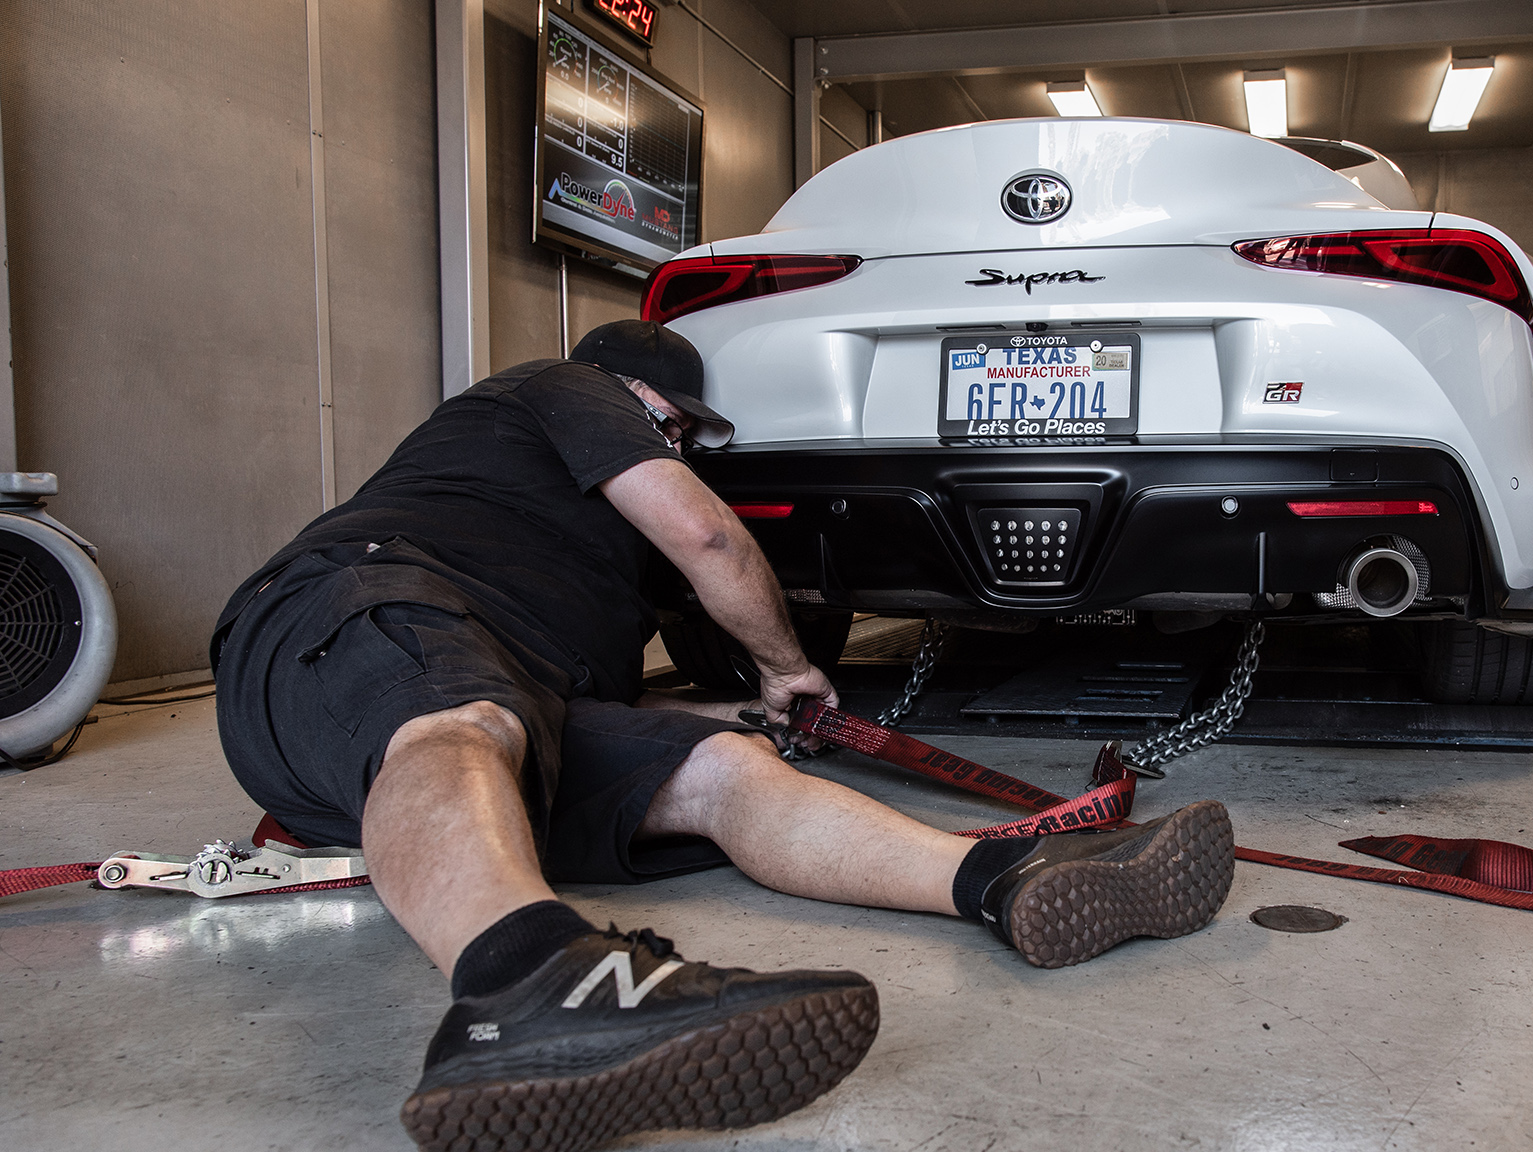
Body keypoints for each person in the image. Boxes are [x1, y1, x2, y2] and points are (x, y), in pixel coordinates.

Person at [210, 320, 1236, 1152]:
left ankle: (997, 879)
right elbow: (705, 535)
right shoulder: (560, 387)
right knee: (463, 718)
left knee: (717, 771)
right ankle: (521, 986)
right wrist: (789, 667)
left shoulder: (584, 569)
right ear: (636, 398)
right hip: (351, 617)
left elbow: (602, 705)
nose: (683, 448)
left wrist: (745, 714)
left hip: (517, 704)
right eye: (677, 430)